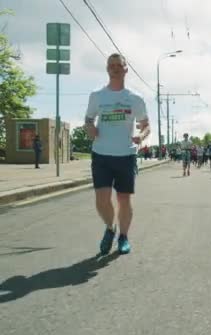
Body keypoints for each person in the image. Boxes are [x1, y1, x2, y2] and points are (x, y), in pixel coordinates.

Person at [84, 53, 150, 255]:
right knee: (102, 200)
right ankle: (110, 229)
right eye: (111, 65)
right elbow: (88, 120)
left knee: (123, 199)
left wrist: (141, 135)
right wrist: (90, 129)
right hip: (101, 154)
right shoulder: (97, 96)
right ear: (107, 69)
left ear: (125, 69)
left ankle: (123, 236)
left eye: (118, 65)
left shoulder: (135, 98)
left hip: (125, 155)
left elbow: (146, 125)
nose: (114, 68)